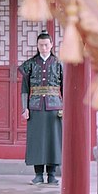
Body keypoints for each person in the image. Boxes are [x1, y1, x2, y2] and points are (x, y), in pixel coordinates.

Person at [18, 30, 63, 185]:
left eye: (46, 45)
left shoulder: (59, 63)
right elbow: (24, 88)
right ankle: (38, 174)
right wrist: (25, 108)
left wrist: (65, 107)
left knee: (53, 141)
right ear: (37, 46)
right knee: (37, 140)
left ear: (51, 45)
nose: (43, 48)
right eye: (41, 45)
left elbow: (65, 87)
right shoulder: (30, 64)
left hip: (54, 107)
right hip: (35, 106)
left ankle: (51, 174)